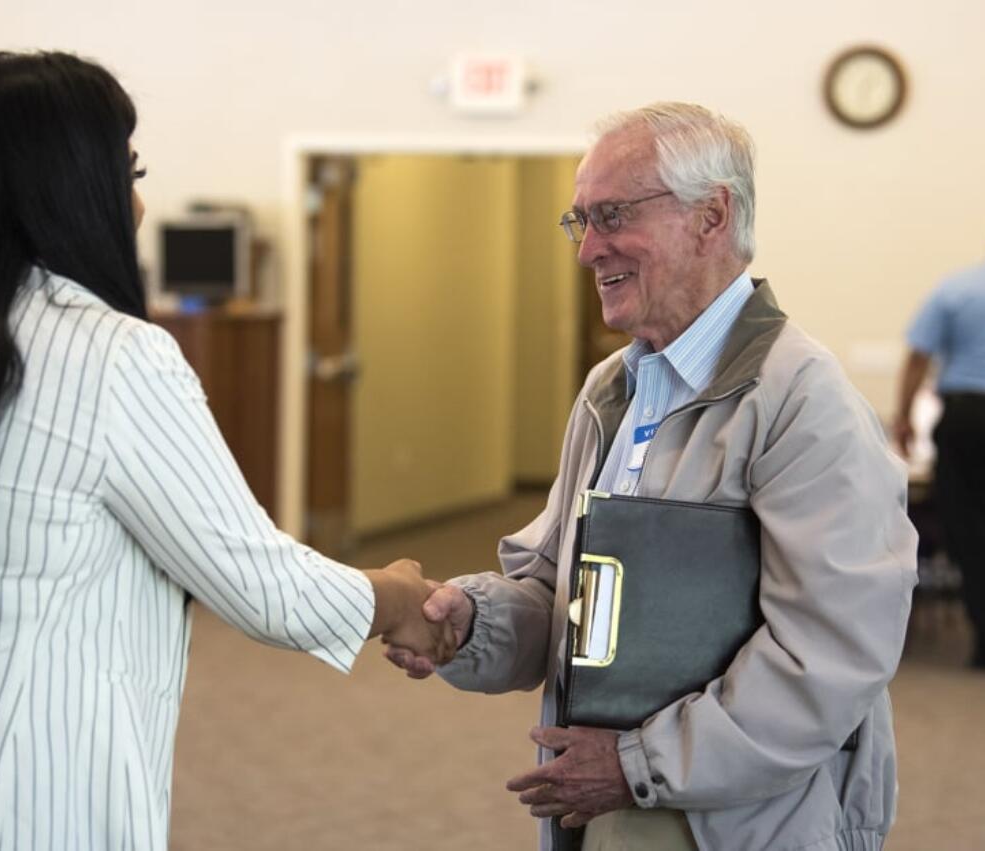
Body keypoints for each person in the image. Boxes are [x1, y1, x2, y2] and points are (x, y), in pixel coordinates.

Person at [0, 51, 452, 848]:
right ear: (65, 188)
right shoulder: (109, 355)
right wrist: (401, 597)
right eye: (126, 171)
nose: (137, 203)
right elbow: (264, 585)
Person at [386, 103, 917, 850]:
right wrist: (468, 622)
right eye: (580, 221)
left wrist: (637, 763)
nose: (587, 250)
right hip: (609, 795)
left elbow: (829, 656)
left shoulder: (805, 401)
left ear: (711, 215)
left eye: (611, 215)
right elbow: (560, 593)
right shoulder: (614, 388)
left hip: (742, 822)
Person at [893, 245, 985, 669]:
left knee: (969, 529)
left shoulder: (957, 289)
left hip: (967, 419)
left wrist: (903, 417)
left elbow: (918, 356)